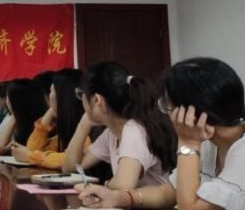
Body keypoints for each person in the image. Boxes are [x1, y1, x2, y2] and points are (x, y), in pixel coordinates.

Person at [79, 58, 245, 210]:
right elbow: (169, 193)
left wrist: (188, 143)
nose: (166, 114)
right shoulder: (210, 143)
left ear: (190, 113)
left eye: (167, 106)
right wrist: (119, 197)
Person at [64, 61, 176, 190]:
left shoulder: (133, 129)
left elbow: (123, 185)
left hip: (159, 204)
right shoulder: (112, 133)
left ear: (96, 100)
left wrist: (106, 185)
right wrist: (84, 125)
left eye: (81, 95)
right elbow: (71, 167)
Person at [11, 68, 84, 169]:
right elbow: (33, 148)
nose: (48, 97)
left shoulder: (86, 125)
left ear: (62, 96)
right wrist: (52, 110)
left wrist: (30, 156)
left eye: (51, 91)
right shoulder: (68, 125)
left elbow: (68, 160)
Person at [0, 78, 46, 152]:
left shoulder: (41, 122)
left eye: (8, 97)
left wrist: (15, 113)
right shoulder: (19, 119)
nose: (7, 101)